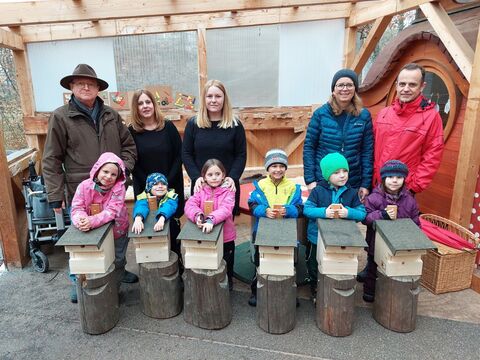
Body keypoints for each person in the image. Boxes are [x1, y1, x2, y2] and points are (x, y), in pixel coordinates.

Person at [42, 64, 138, 290]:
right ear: (72, 87)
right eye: (80, 83)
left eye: (91, 84)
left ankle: (118, 270)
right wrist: (55, 194)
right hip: (80, 190)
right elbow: (51, 159)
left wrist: (120, 170)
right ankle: (81, 282)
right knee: (83, 237)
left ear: (98, 88)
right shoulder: (60, 117)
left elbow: (129, 147)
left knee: (117, 230)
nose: (86, 87)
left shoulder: (111, 115)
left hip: (112, 190)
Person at [372, 63, 444, 194]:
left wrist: (414, 186)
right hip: (376, 186)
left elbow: (432, 156)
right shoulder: (384, 114)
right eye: (402, 84)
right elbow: (371, 149)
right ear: (396, 86)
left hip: (402, 190)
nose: (406, 89)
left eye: (412, 84)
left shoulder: (431, 117)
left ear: (422, 87)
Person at [303, 152, 366, 303]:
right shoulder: (318, 191)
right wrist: (324, 212)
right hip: (316, 237)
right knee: (314, 264)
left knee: (336, 263)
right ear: (327, 175)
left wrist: (348, 212)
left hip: (341, 238)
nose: (342, 175)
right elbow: (307, 210)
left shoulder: (351, 192)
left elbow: (362, 214)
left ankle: (336, 288)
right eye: (336, 172)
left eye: (345, 171)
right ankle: (315, 287)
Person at [303, 69, 373, 202]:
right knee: (322, 218)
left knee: (348, 218)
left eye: (349, 85)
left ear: (355, 89)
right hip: (323, 180)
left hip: (352, 180)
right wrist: (310, 180)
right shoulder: (321, 114)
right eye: (340, 85)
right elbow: (309, 148)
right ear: (333, 90)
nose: (345, 89)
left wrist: (365, 183)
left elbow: (367, 152)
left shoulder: (363, 116)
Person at [70, 152, 131, 302]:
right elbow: (77, 207)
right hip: (90, 231)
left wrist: (92, 220)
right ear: (97, 169)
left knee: (117, 257)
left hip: (117, 230)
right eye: (105, 171)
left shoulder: (119, 189)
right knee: (83, 258)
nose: (108, 176)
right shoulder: (84, 186)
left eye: (113, 174)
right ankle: (78, 284)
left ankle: (116, 282)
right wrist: (82, 221)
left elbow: (112, 211)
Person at [129, 89, 184, 255]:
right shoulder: (132, 131)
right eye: (140, 103)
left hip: (171, 183)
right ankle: (151, 258)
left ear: (154, 104)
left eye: (148, 102)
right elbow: (132, 160)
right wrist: (149, 185)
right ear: (135, 108)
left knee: (170, 222)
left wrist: (166, 181)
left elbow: (179, 155)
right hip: (144, 186)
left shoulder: (167, 127)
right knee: (148, 221)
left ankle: (176, 260)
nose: (145, 106)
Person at [247, 149, 303, 307]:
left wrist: (289, 210)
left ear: (285, 168)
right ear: (267, 168)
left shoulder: (293, 187)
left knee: (288, 262)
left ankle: (291, 293)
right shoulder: (260, 186)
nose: (277, 169)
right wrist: (264, 211)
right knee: (261, 260)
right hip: (264, 229)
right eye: (273, 166)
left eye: (281, 165)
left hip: (287, 231)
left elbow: (299, 208)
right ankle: (256, 291)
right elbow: (252, 205)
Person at [182, 79, 246, 215]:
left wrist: (232, 177)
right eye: (209, 96)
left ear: (224, 99)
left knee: (226, 232)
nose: (213, 100)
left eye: (218, 96)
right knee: (202, 229)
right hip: (202, 186)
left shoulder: (235, 125)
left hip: (226, 186)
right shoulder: (194, 124)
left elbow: (241, 154)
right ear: (204, 99)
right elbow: (186, 153)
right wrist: (195, 177)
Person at [362, 160, 420, 302]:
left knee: (395, 267)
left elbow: (415, 221)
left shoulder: (410, 200)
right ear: (383, 178)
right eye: (390, 177)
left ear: (404, 179)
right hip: (376, 242)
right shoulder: (374, 198)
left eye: (399, 178)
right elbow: (366, 218)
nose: (394, 181)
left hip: (400, 242)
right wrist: (381, 214)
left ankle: (390, 293)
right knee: (372, 268)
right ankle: (369, 291)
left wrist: (414, 236)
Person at [184, 159, 237, 291]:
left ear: (224, 175)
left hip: (226, 236)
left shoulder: (229, 191)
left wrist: (211, 219)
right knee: (208, 260)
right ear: (204, 176)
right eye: (210, 174)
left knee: (226, 261)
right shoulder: (200, 190)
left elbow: (226, 209)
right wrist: (198, 215)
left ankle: (227, 281)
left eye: (217, 174)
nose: (214, 177)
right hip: (206, 235)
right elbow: (190, 205)